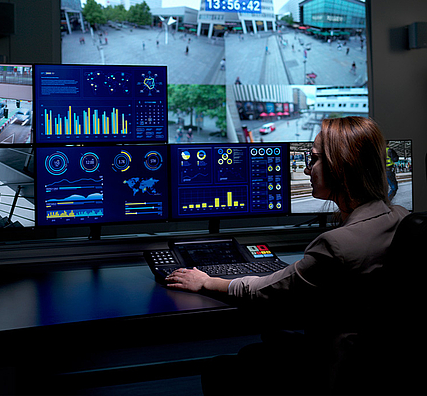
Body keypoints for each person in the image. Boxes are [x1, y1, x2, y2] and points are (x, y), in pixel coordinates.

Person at [165, 117, 409, 395]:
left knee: (222, 368)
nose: (307, 169)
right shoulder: (403, 220)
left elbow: (263, 292)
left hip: (339, 370)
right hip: (379, 366)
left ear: (341, 168)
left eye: (314, 159)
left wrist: (206, 282)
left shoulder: (337, 244)